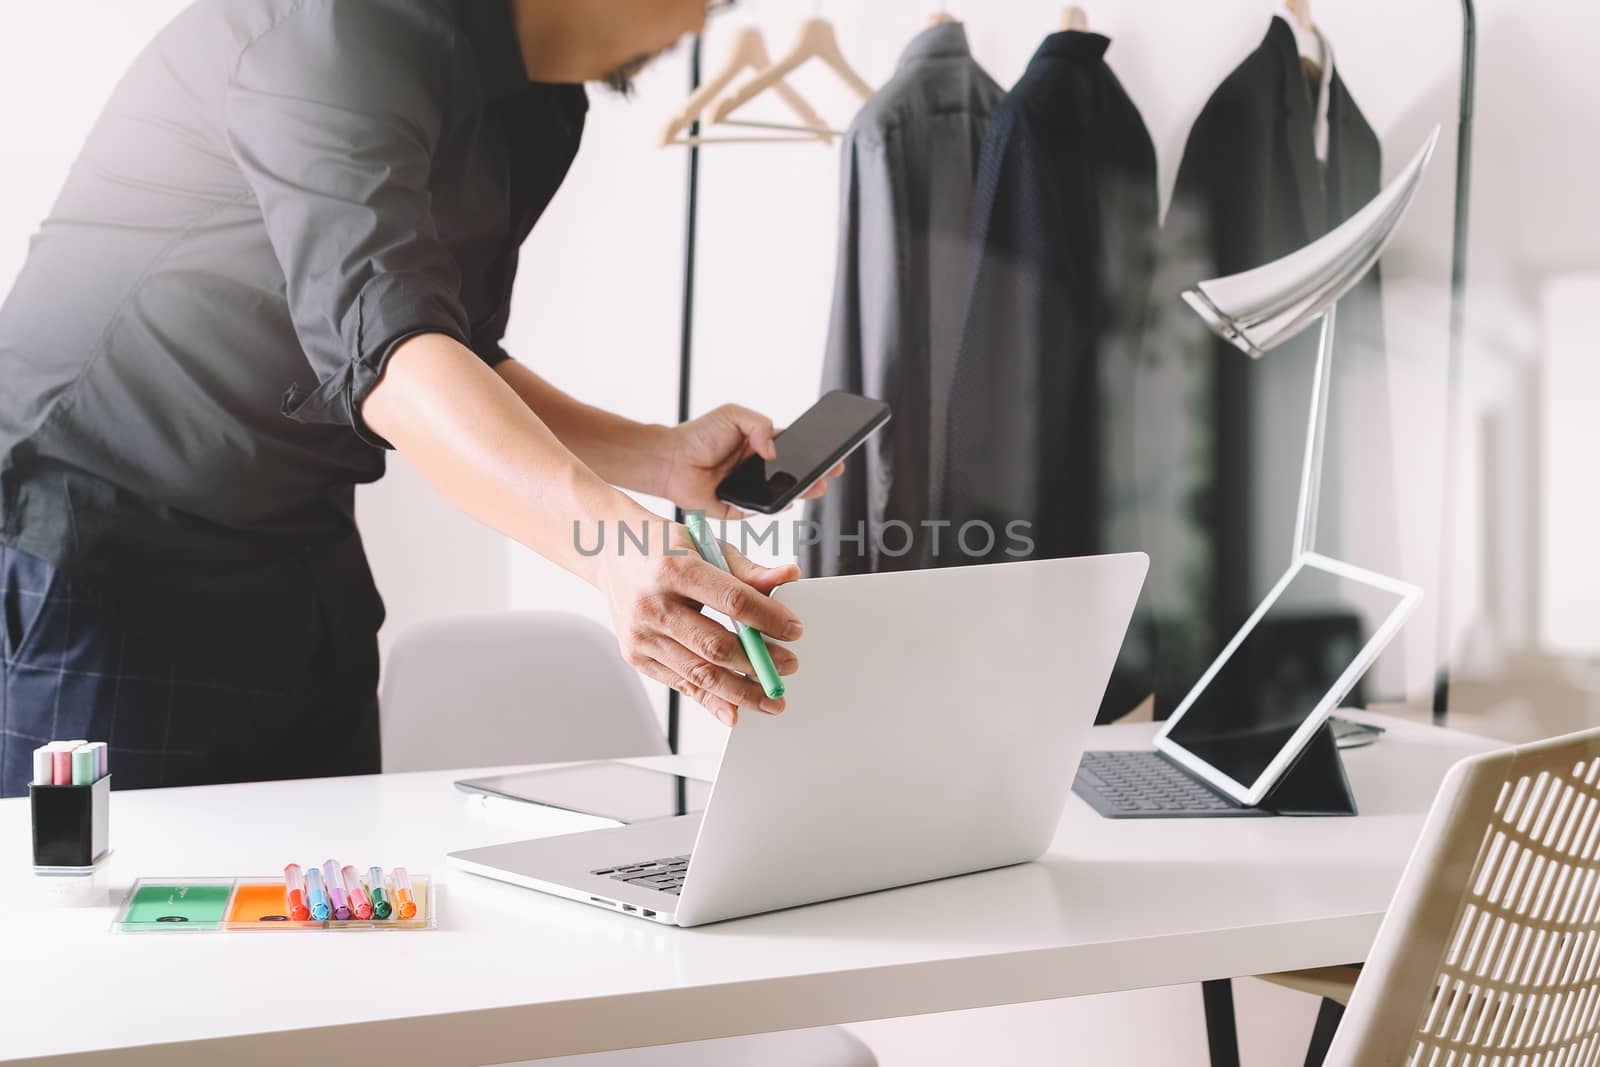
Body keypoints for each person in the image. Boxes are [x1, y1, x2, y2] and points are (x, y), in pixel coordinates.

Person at [0, 0, 836, 796]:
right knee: (105, 928)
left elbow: (452, 350)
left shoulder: (541, 110)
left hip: (298, 564)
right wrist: (613, 548)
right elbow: (393, 359)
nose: (699, 23)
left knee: (323, 926)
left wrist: (658, 456)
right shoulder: (329, 31)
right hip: (105, 560)